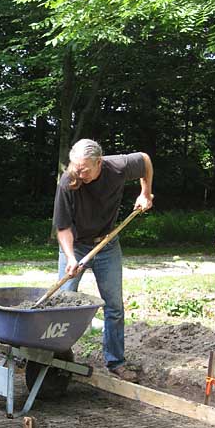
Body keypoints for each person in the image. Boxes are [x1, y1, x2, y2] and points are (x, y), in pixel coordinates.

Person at [52, 138, 153, 380]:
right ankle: (56, 360)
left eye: (84, 168)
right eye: (75, 166)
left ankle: (115, 362)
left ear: (99, 162)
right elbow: (63, 227)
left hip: (107, 245)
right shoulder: (68, 181)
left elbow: (145, 159)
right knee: (62, 304)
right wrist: (69, 257)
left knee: (114, 306)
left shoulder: (117, 167)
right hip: (75, 247)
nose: (79, 172)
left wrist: (145, 193)